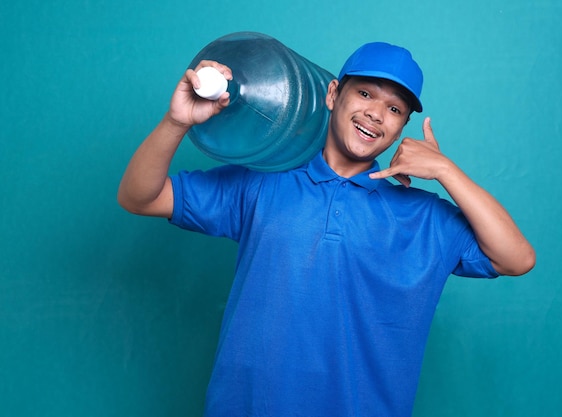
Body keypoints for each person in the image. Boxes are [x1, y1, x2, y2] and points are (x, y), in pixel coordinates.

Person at [118, 41, 535, 417]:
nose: (375, 113)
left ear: (402, 127)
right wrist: (177, 122)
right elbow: (140, 197)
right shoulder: (262, 182)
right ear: (333, 94)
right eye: (366, 93)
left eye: (394, 109)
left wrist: (447, 171)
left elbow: (517, 258)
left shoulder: (424, 217)